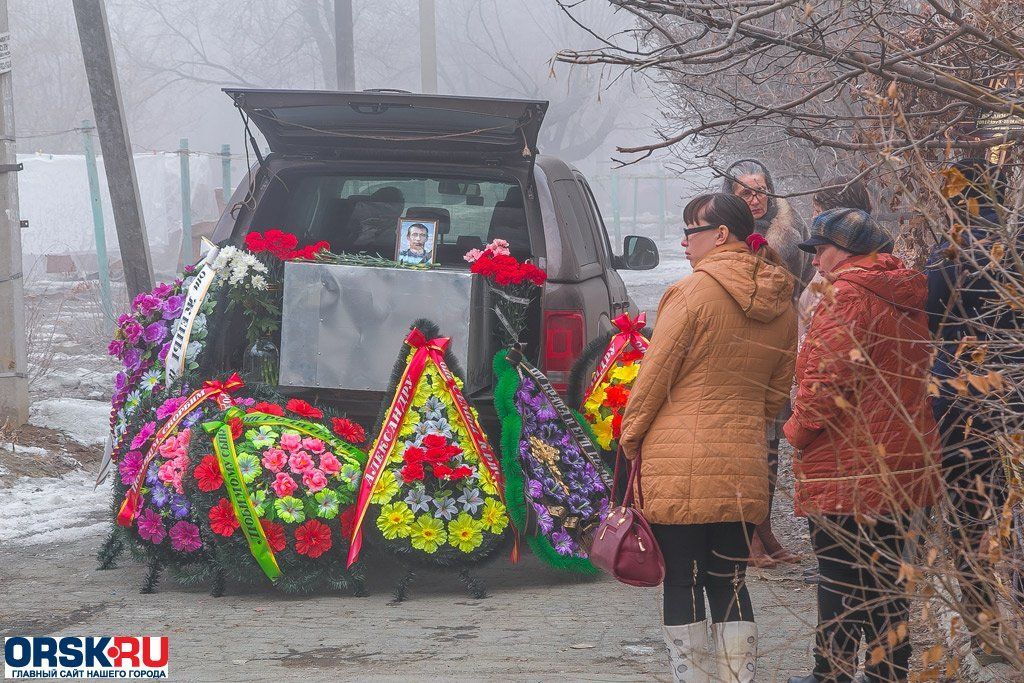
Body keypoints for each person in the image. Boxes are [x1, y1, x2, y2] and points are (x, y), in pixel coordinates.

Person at [620, 193, 797, 683]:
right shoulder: (783, 299)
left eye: (691, 230)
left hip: (679, 460)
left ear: (720, 234)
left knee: (683, 579)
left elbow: (654, 378)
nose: (683, 241)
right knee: (732, 581)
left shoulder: (692, 293)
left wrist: (629, 439)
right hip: (743, 461)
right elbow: (776, 392)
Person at [784, 208, 939, 683]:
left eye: (821, 250)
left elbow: (828, 382)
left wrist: (797, 432)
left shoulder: (847, 296)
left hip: (851, 461)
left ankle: (829, 674)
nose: (814, 262)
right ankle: (887, 673)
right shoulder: (901, 291)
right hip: (904, 457)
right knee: (890, 582)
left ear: (849, 253)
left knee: (839, 578)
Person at [925, 159, 1020, 666]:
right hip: (1018, 400)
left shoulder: (951, 253)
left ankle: (987, 632)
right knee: (1016, 514)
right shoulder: (1016, 248)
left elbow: (927, 316)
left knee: (968, 520)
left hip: (962, 405)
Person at [722, 158, 813, 567]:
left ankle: (765, 529)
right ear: (732, 196)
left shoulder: (793, 233)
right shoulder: (723, 235)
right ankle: (746, 536)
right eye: (745, 192)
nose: (755, 199)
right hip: (740, 346)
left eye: (760, 190)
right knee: (747, 443)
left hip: (780, 344)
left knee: (772, 444)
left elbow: (809, 284)